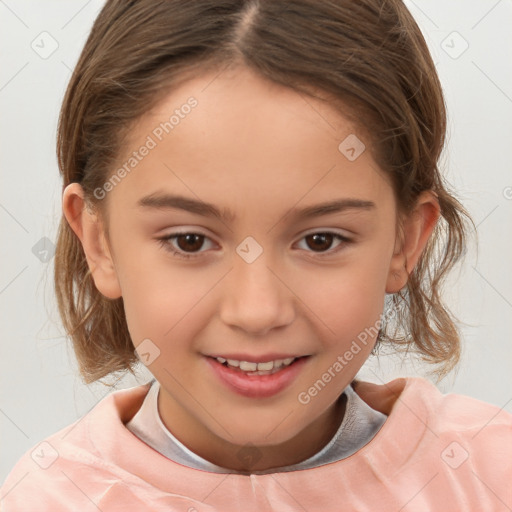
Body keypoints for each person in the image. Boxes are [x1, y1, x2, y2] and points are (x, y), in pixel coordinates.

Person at [1, 0, 511, 510]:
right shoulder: (52, 499)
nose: (258, 311)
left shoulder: (489, 474)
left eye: (320, 240)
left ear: (405, 242)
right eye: (190, 241)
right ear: (99, 242)